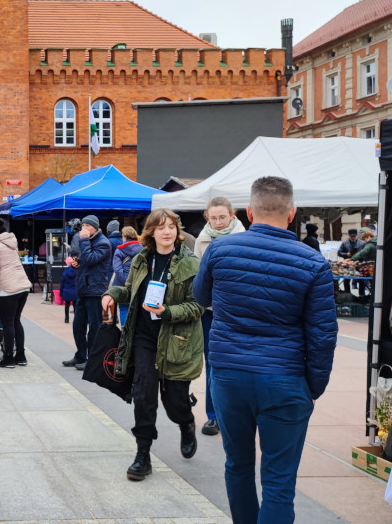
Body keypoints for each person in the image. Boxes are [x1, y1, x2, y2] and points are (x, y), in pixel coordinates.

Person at [194, 176, 337, 524]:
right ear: (292, 213)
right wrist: (313, 386)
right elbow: (323, 335)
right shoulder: (313, 262)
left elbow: (201, 297)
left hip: (229, 375)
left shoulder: (219, 250)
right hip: (284, 378)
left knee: (238, 465)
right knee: (279, 481)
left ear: (248, 211)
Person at [102, 208, 203, 482]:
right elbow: (130, 291)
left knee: (174, 404)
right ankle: (142, 455)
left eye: (171, 226)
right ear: (151, 232)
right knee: (144, 397)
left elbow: (198, 306)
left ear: (177, 231)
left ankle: (186, 423)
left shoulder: (191, 263)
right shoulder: (141, 259)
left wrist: (167, 311)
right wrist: (112, 293)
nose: (167, 232)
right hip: (144, 339)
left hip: (176, 342)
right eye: (161, 227)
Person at [192, 196, 246, 437]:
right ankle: (213, 416)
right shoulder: (202, 240)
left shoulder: (244, 238)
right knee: (213, 364)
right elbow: (198, 277)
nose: (218, 222)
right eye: (213, 218)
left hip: (237, 311)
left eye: (222, 217)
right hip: (210, 311)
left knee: (238, 363)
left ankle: (236, 416)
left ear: (232, 215)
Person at [62, 215, 113, 370]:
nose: (84, 229)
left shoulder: (103, 243)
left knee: (94, 326)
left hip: (95, 291)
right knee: (78, 325)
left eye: (87, 226)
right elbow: (86, 262)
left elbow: (91, 259)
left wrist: (83, 241)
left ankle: (92, 358)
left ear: (95, 228)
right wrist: (77, 264)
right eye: (83, 226)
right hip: (83, 289)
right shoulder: (89, 241)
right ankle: (80, 355)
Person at [0, 217, 34, 368]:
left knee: (7, 324)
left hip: (7, 289)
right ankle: (21, 356)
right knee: (16, 321)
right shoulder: (12, 243)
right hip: (22, 286)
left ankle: (8, 358)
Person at [112, 226, 143, 326]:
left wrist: (126, 281)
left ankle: (125, 332)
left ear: (125, 236)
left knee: (124, 308)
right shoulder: (143, 249)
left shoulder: (120, 251)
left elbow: (117, 269)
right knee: (137, 308)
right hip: (138, 284)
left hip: (122, 285)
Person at [337, 228, 366, 296]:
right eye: (351, 236)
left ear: (357, 235)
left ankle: (362, 296)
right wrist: (346, 254)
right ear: (348, 235)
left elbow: (365, 254)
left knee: (362, 281)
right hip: (347, 265)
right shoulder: (344, 243)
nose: (353, 237)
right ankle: (348, 296)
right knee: (346, 280)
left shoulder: (362, 243)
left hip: (359, 264)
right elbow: (339, 252)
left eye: (354, 236)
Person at [60, 252, 79, 324]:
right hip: (75, 290)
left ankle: (66, 318)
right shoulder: (78, 271)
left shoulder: (66, 271)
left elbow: (62, 282)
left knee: (67, 305)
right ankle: (76, 318)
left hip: (67, 290)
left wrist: (61, 292)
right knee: (75, 305)